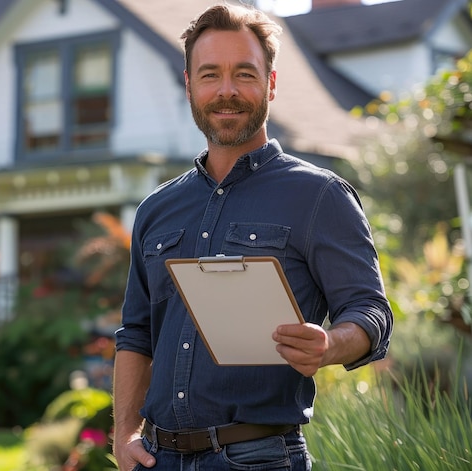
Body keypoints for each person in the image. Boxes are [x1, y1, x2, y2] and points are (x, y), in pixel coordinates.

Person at [113, 3, 394, 470]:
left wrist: (329, 346)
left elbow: (371, 312)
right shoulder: (156, 210)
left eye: (244, 74)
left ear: (272, 83)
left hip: (260, 459)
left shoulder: (320, 196)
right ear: (189, 85)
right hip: (156, 461)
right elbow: (136, 335)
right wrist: (124, 436)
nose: (226, 91)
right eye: (210, 75)